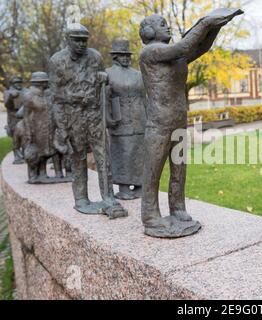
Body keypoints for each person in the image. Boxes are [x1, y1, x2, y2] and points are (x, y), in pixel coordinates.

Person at [139, 9, 243, 237]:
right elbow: (184, 46)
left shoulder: (173, 56)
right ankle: (150, 215)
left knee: (179, 168)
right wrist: (205, 22)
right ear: (148, 32)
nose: (168, 27)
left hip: (177, 119)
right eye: (162, 24)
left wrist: (216, 26)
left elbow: (199, 47)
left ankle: (177, 208)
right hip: (159, 122)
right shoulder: (151, 52)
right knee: (154, 170)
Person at [48, 24, 127, 218]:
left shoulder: (95, 57)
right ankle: (81, 198)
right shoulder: (57, 61)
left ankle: (108, 196)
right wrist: (61, 127)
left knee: (103, 155)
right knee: (78, 157)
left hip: (94, 113)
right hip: (73, 113)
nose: (81, 44)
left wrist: (104, 78)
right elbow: (56, 98)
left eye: (84, 40)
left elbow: (103, 85)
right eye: (76, 40)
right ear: (67, 39)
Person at [106, 39, 147, 200]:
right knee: (123, 153)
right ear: (115, 56)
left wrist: (149, 117)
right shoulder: (107, 74)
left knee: (139, 153)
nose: (125, 58)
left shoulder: (138, 74)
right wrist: (108, 118)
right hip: (120, 120)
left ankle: (139, 185)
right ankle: (123, 186)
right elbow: (104, 99)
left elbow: (145, 98)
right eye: (121, 55)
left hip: (139, 118)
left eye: (127, 55)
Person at [20, 72, 69, 183]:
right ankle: (35, 175)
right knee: (38, 152)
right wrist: (28, 133)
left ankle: (52, 174)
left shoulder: (48, 94)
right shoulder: (29, 96)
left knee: (51, 150)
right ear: (41, 83)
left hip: (49, 128)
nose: (48, 83)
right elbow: (26, 116)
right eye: (46, 82)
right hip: (36, 129)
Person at [4, 76, 25, 164]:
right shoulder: (8, 92)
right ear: (12, 84)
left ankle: (25, 154)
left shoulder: (26, 91)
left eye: (20, 82)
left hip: (24, 116)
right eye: (16, 82)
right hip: (13, 118)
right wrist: (10, 97)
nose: (18, 84)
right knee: (15, 138)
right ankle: (17, 157)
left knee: (25, 136)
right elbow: (7, 105)